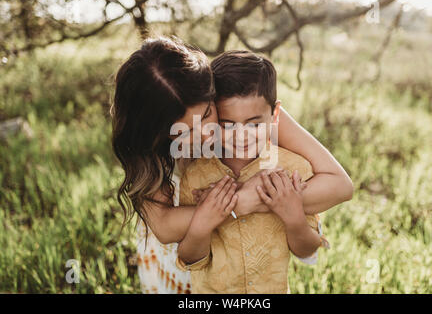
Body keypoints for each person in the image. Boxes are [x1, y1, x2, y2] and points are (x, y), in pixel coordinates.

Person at [110, 37, 353, 294]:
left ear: (210, 91)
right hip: (181, 254)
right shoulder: (146, 147)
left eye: (206, 114)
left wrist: (261, 198)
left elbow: (340, 186)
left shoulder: (245, 112)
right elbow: (165, 227)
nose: (205, 133)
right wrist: (243, 200)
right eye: (184, 131)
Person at [175, 50, 330, 293]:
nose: (241, 135)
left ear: (275, 114)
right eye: (227, 125)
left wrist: (293, 218)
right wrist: (203, 223)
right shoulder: (196, 177)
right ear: (212, 116)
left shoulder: (293, 170)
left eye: (254, 124)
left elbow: (308, 250)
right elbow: (190, 259)